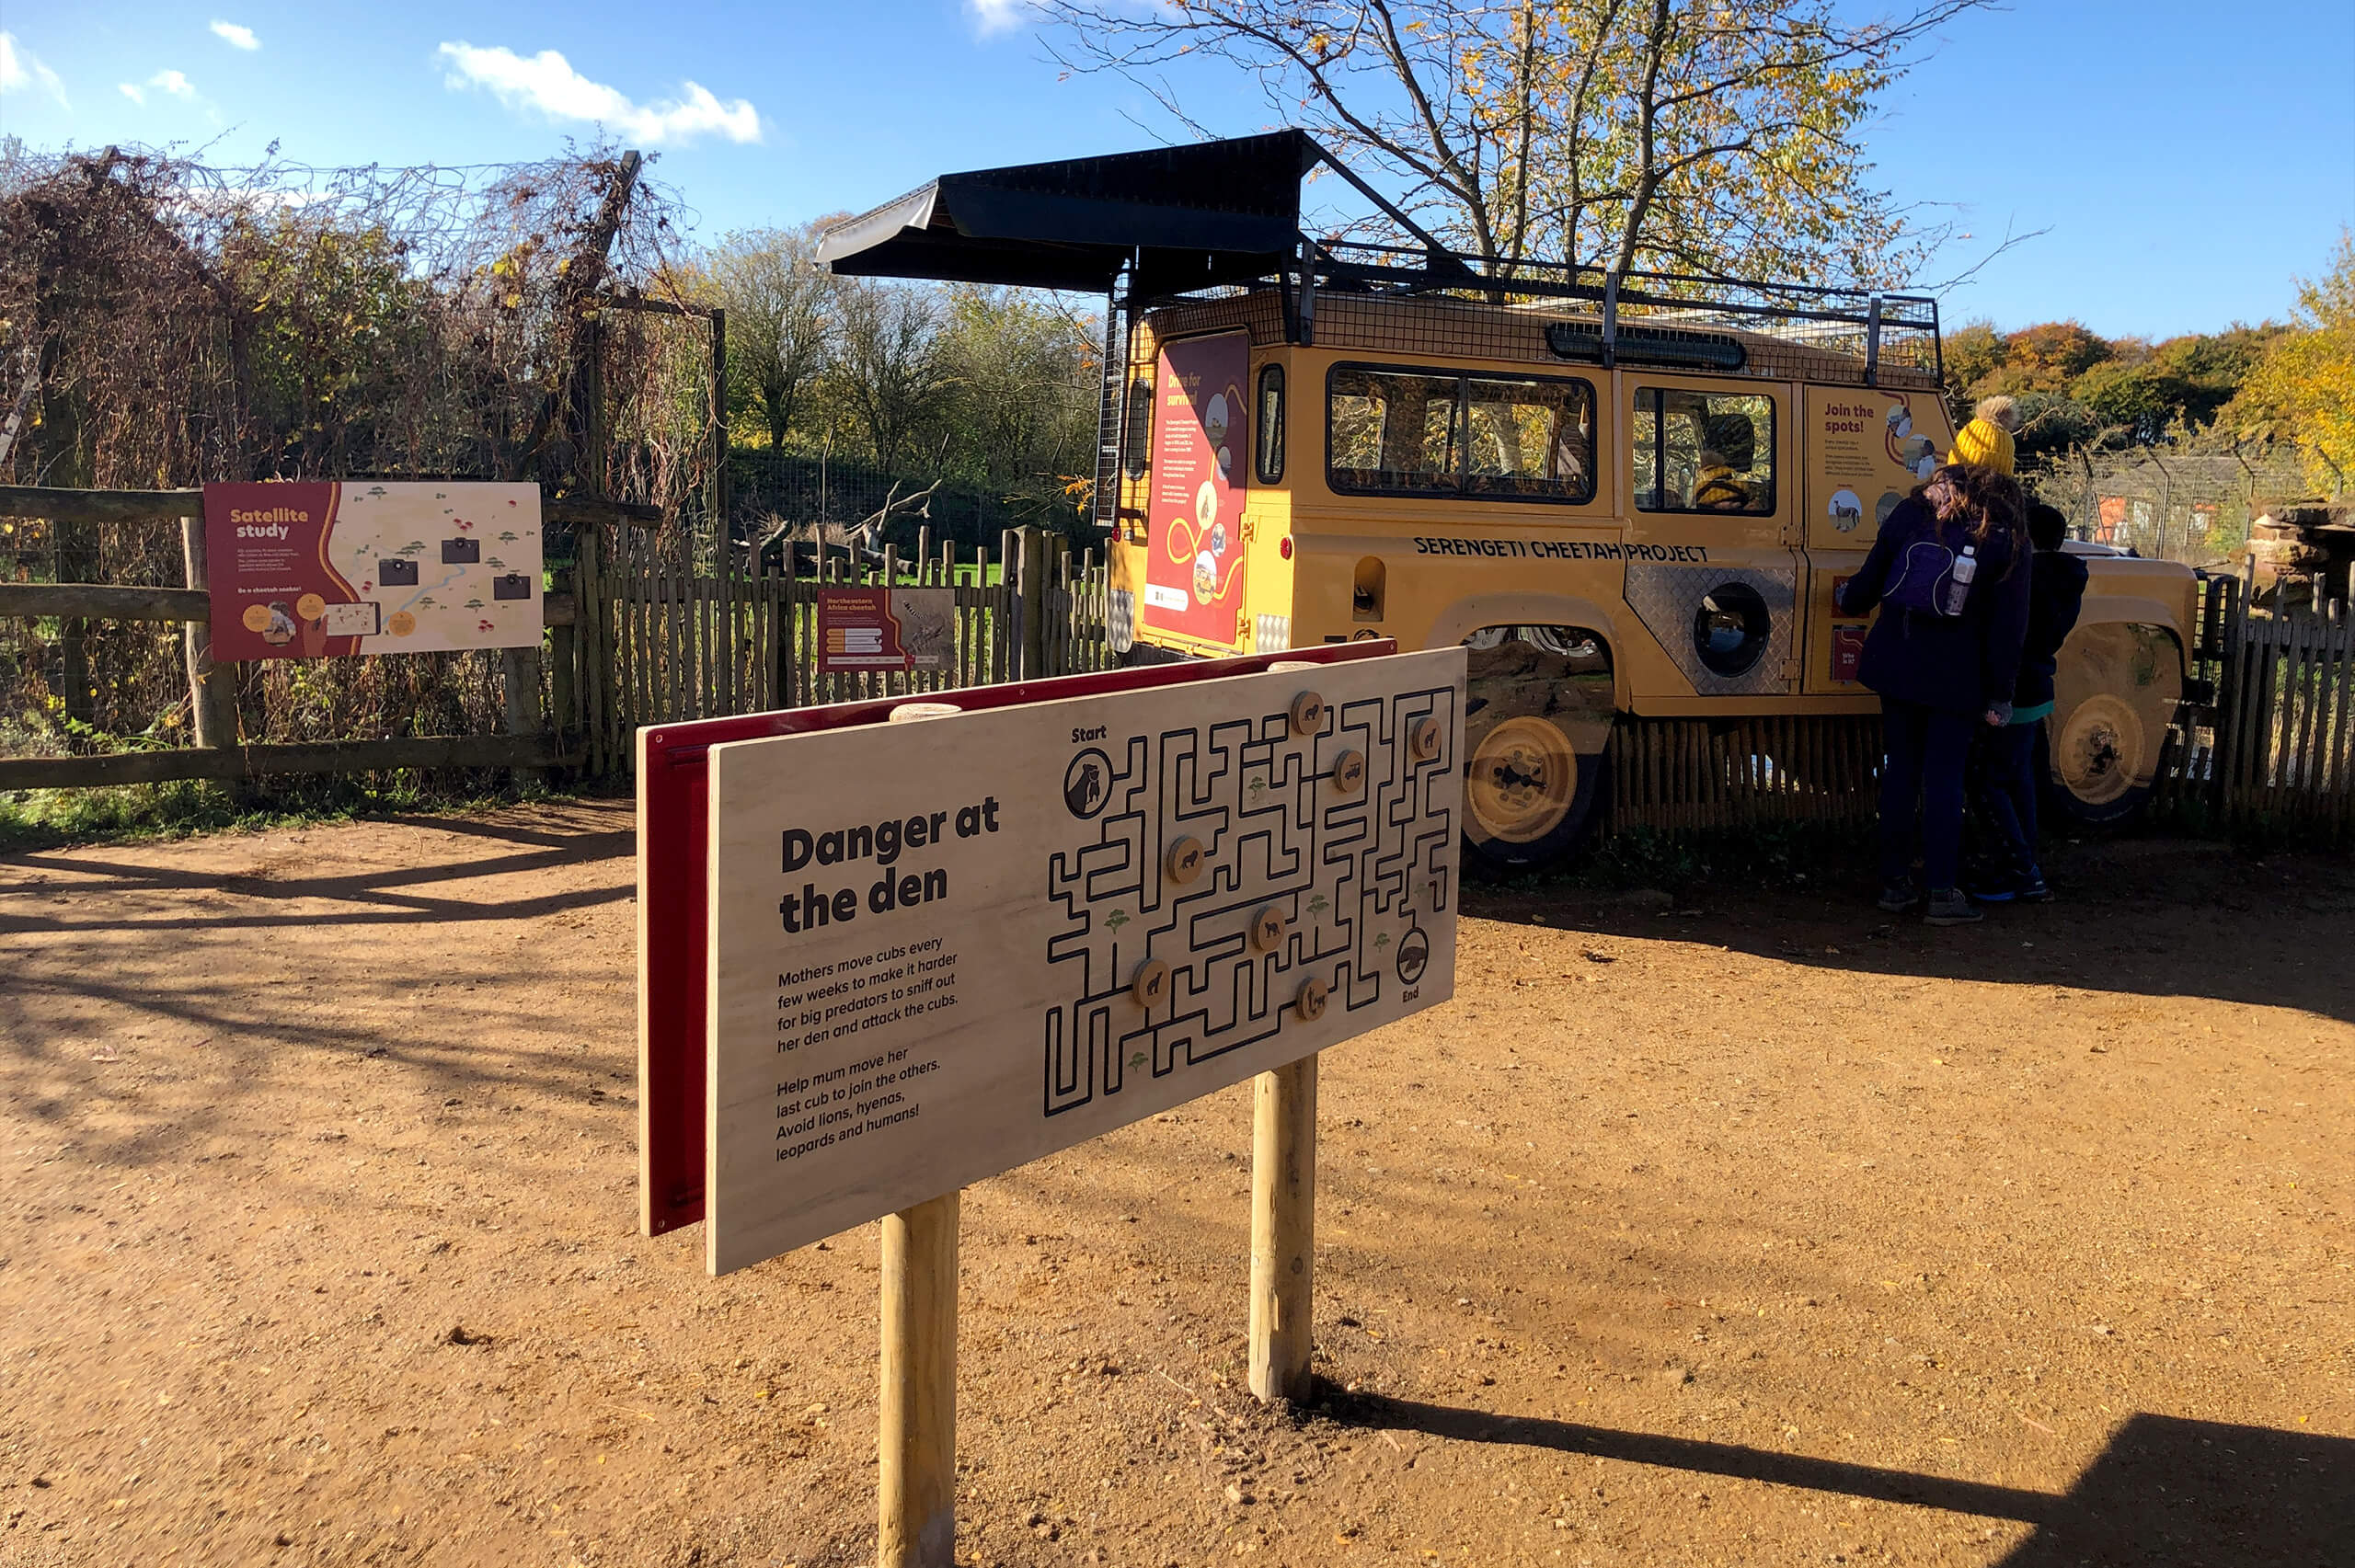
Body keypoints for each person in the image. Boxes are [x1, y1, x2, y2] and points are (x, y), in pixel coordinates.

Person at [1835, 464, 2033, 925]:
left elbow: (1866, 587)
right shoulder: (2004, 533)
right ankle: (1943, 893)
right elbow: (2010, 629)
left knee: (1901, 769)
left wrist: (1847, 599)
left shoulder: (1912, 513)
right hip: (1958, 677)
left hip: (1896, 662)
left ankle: (1894, 885)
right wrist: (2001, 694)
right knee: (1945, 778)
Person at [1968, 500, 2087, 903]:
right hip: (2038, 690)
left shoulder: (2025, 580)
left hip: (2012, 693)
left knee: (1990, 782)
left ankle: (2019, 869)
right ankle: (2024, 862)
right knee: (2019, 781)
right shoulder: (2067, 579)